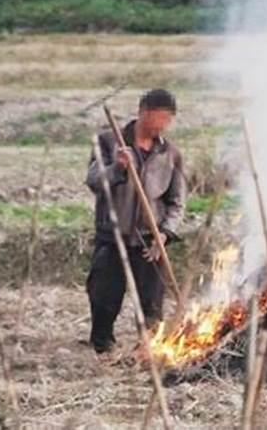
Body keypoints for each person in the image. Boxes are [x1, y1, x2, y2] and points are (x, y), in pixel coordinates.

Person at [85, 89, 185, 353]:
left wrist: (165, 233)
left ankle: (149, 349)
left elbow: (176, 202)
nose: (162, 125)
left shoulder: (170, 153)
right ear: (143, 112)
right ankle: (103, 348)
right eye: (159, 118)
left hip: (150, 239)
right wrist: (118, 168)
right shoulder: (108, 142)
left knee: (152, 303)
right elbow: (95, 181)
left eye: (168, 120)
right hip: (113, 235)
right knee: (104, 298)